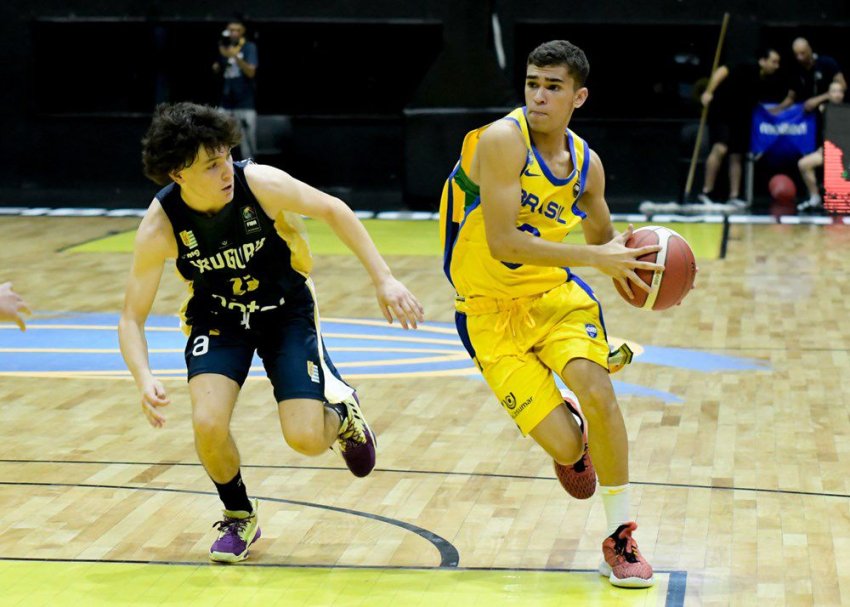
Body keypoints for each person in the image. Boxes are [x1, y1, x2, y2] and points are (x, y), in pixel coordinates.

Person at [118, 102, 424, 563]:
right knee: (207, 422)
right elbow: (130, 318)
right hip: (219, 319)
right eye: (211, 165)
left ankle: (342, 418)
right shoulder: (161, 226)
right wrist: (143, 378)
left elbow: (334, 209)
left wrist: (384, 278)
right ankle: (240, 514)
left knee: (304, 438)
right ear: (178, 174)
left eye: (226, 157)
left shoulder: (258, 183)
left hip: (286, 312)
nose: (226, 170)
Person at [439, 40, 662, 588]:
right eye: (533, 84)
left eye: (553, 87)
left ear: (578, 97)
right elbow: (503, 242)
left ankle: (620, 536)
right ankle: (573, 437)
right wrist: (595, 256)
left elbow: (604, 239)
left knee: (600, 390)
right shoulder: (501, 141)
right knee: (566, 446)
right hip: (487, 312)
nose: (539, 96)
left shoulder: (587, 165)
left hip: (555, 298)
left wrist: (642, 268)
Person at [698, 47, 795, 207]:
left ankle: (734, 196)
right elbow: (723, 70)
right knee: (720, 148)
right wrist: (709, 91)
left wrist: (785, 104)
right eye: (774, 61)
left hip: (741, 117)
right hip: (722, 111)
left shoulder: (765, 79)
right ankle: (706, 192)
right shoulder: (747, 66)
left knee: (737, 155)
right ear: (763, 61)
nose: (777, 66)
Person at [212, 20, 258, 160]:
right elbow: (218, 69)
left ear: (242, 31)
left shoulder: (248, 47)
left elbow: (251, 72)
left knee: (247, 142)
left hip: (245, 103)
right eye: (231, 30)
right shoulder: (223, 48)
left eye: (237, 30)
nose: (233, 33)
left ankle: (250, 171)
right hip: (226, 102)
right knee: (218, 136)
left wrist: (235, 56)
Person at [797, 81, 846, 211]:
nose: (837, 95)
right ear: (828, 94)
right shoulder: (823, 109)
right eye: (834, 91)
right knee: (804, 164)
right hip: (828, 152)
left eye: (840, 91)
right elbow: (808, 106)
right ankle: (815, 197)